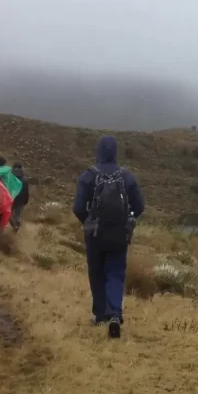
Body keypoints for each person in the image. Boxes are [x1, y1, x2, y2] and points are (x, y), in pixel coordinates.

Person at [72, 135, 145, 337]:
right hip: (119, 235)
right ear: (115, 152)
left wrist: (88, 221)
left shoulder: (88, 175)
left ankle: (99, 315)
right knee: (115, 273)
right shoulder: (127, 176)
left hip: (94, 235)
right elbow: (140, 206)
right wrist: (127, 221)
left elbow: (78, 207)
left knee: (96, 273)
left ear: (98, 151)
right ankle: (114, 313)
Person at [9, 163, 30, 232]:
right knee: (18, 215)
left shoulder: (10, 177)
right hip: (21, 200)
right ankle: (16, 228)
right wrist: (26, 200)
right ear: (21, 168)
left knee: (8, 213)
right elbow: (26, 191)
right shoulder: (25, 179)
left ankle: (12, 226)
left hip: (11, 198)